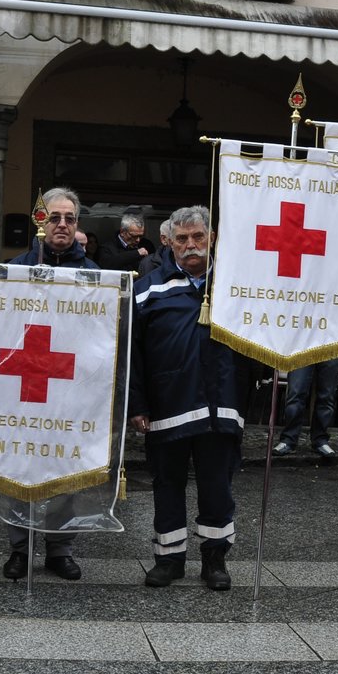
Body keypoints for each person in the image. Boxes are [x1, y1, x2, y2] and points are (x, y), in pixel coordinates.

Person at [130, 205, 251, 590]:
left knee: (217, 486)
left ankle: (215, 560)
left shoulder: (236, 286)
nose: (191, 245)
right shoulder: (148, 288)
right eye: (182, 239)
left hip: (222, 405)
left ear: (211, 238)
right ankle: (169, 559)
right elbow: (132, 353)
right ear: (169, 241)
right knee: (167, 484)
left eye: (198, 237)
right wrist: (137, 405)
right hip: (168, 406)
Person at [1, 186, 96, 580]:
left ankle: (59, 549)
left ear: (77, 226)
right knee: (18, 467)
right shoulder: (16, 270)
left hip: (69, 387)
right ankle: (19, 549)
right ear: (40, 221)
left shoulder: (93, 276)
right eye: (53, 217)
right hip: (25, 385)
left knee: (64, 471)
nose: (61, 225)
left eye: (68, 219)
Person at [273, 359, 338, 458]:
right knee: (296, 392)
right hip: (302, 345)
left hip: (333, 344)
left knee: (327, 395)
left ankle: (320, 439)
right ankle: (289, 439)